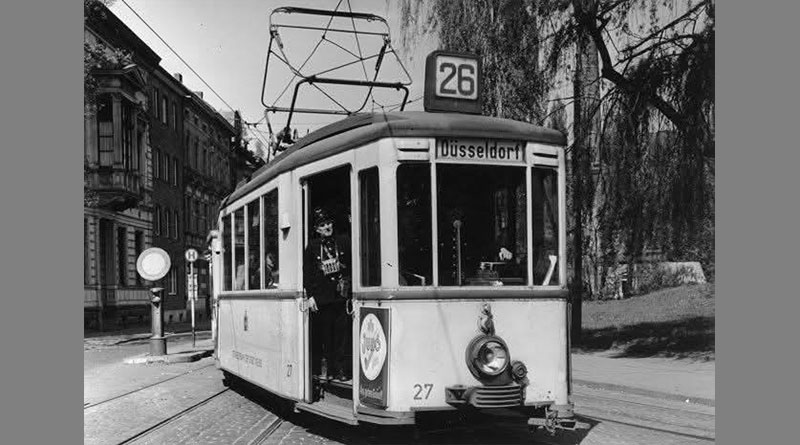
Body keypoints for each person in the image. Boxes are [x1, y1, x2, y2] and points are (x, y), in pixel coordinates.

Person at [303, 207, 352, 381]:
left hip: (341, 296)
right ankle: (329, 369)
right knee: (326, 335)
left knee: (342, 335)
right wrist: (310, 296)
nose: (327, 227)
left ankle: (341, 370)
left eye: (329, 223)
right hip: (322, 297)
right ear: (317, 229)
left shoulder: (344, 241)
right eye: (322, 225)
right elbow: (307, 273)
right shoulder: (313, 246)